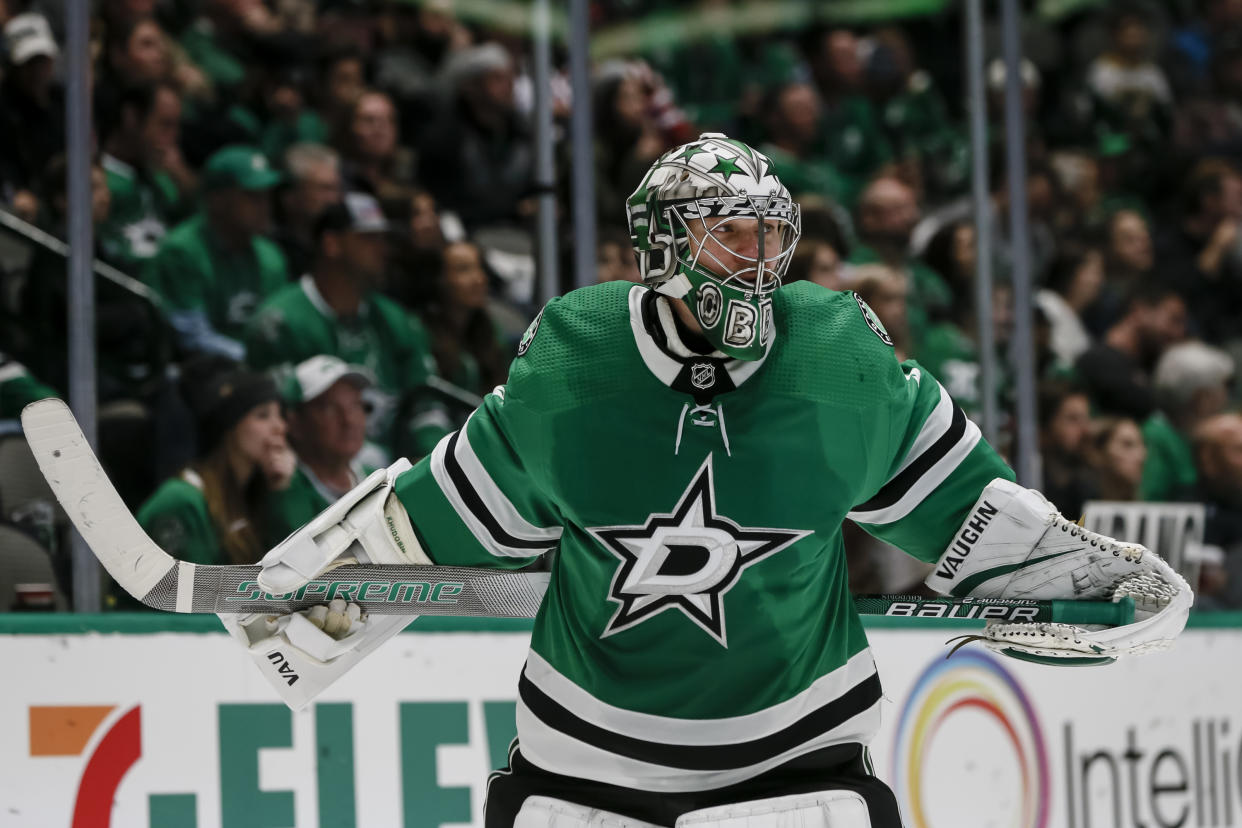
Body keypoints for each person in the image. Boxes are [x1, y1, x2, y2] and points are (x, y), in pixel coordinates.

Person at [223, 134, 1192, 827]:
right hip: (585, 757)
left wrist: (1095, 579)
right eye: (733, 235)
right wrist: (326, 603)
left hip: (796, 749)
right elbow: (443, 521)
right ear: (663, 246)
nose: (762, 260)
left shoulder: (837, 355)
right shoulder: (577, 362)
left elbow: (971, 518)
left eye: (772, 235)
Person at [244, 192, 449, 459]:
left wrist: (434, 462)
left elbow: (426, 403)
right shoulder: (280, 324)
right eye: (368, 239)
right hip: (321, 477)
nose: (382, 250)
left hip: (398, 476)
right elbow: (278, 424)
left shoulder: (395, 320)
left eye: (383, 239)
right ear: (332, 244)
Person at [134, 359, 293, 571]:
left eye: (280, 415)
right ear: (228, 428)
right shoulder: (181, 501)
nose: (280, 427)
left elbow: (289, 576)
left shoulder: (253, 494)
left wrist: (279, 493)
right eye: (263, 415)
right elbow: (189, 596)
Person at [145, 144, 288, 360]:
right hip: (200, 372)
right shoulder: (183, 250)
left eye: (266, 196)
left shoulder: (271, 257)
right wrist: (254, 360)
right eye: (252, 196)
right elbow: (192, 339)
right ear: (216, 200)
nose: (265, 206)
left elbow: (278, 332)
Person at [269, 355, 374, 540]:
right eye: (330, 409)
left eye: (355, 405)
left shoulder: (376, 477)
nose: (349, 420)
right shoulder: (285, 491)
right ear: (294, 423)